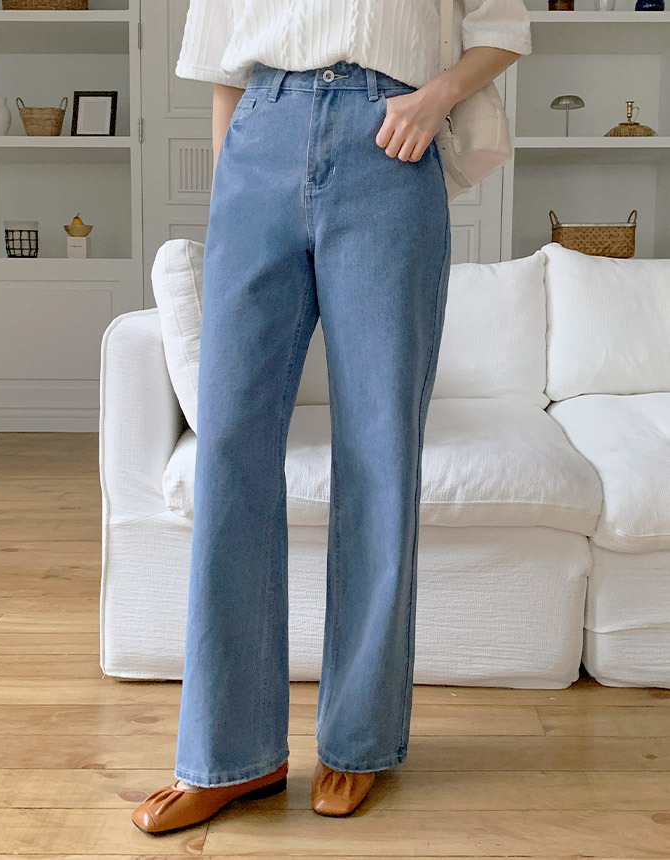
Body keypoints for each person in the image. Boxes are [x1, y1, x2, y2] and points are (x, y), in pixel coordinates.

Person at [132, 0, 532, 836]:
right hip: (259, 137)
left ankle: (360, 738)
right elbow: (221, 65)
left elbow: (502, 27)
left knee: (379, 450)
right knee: (228, 451)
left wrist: (435, 98)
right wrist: (233, 190)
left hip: (389, 145)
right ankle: (230, 754)